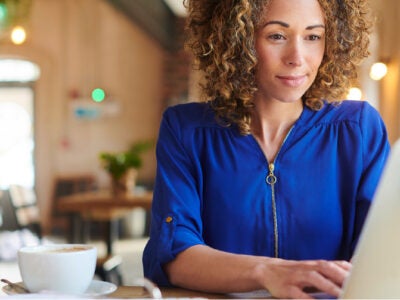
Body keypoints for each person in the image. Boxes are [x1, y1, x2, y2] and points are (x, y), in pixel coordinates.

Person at [143, 0, 390, 298]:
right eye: (277, 36)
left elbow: (382, 252)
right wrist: (266, 272)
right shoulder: (186, 129)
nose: (297, 57)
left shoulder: (358, 129)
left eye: (313, 36)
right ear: (237, 39)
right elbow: (173, 254)